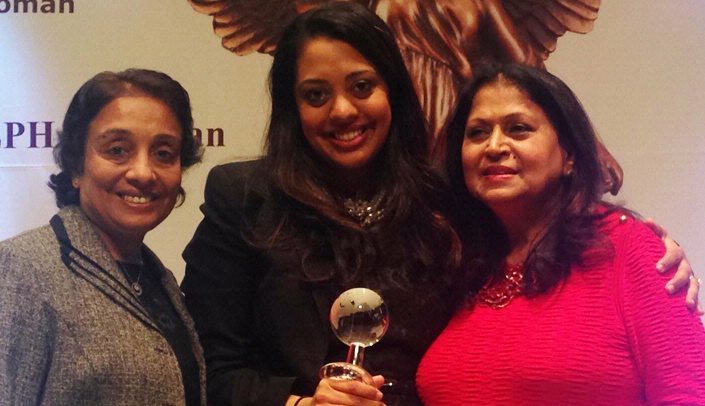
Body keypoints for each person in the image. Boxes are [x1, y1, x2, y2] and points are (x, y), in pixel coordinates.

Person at [182, 4, 698, 406]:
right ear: (293, 107)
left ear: (393, 92)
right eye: (315, 95)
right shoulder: (245, 198)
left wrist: (643, 242)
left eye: (362, 86)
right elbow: (203, 367)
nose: (342, 111)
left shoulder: (445, 208)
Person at [416, 63, 705, 404]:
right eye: (477, 132)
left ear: (568, 155)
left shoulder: (631, 249)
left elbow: (688, 393)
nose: (494, 146)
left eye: (518, 129)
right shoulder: (456, 262)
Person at [0, 69, 206, 405]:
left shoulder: (160, 281)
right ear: (77, 166)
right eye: (117, 150)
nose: (143, 172)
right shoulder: (23, 268)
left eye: (164, 154)